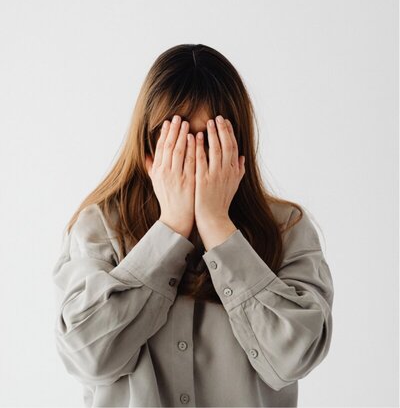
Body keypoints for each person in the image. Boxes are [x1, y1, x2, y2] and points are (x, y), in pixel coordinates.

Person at [52, 43, 334, 408]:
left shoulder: (287, 228)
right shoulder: (99, 227)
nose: (196, 157)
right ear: (149, 144)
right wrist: (170, 229)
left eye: (211, 140)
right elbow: (87, 357)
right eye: (179, 139)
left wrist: (218, 227)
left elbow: (296, 356)